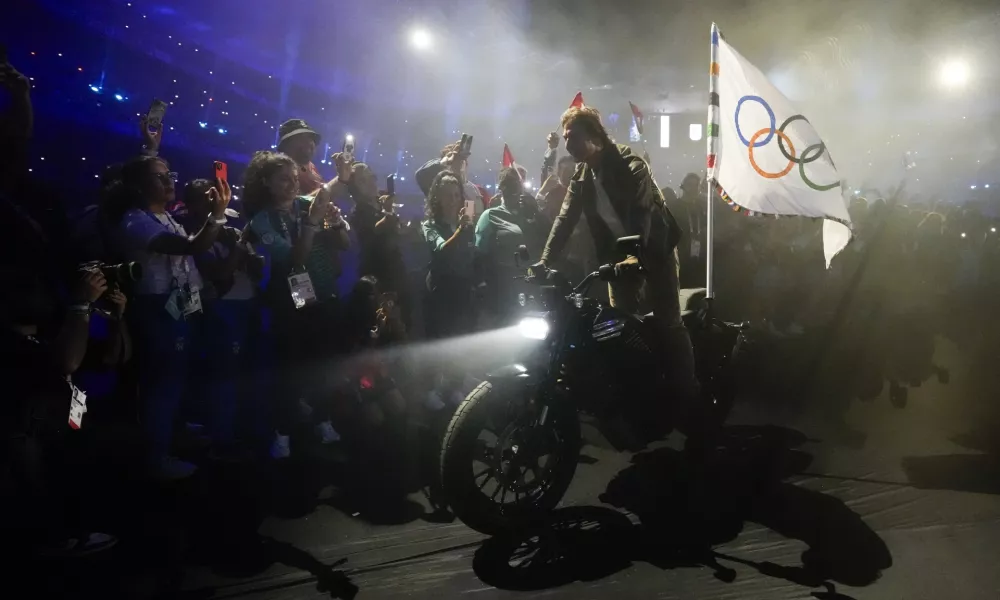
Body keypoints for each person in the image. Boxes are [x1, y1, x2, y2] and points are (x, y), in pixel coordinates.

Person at [532, 106, 702, 440]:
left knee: (669, 322)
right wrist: (544, 261)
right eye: (565, 138)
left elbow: (642, 212)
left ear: (594, 136)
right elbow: (564, 219)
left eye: (573, 137)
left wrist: (634, 255)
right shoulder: (582, 175)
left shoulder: (630, 164)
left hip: (654, 250)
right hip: (617, 256)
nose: (568, 145)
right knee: (618, 327)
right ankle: (634, 394)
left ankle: (688, 394)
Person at [110, 155, 231, 479]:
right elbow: (191, 248)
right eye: (159, 177)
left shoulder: (164, 216)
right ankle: (156, 459)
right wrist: (217, 215)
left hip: (179, 304)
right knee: (161, 383)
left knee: (176, 375)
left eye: (169, 174)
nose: (169, 181)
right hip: (158, 306)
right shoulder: (136, 221)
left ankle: (172, 433)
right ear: (138, 187)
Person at [1, 265, 121, 556]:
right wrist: (80, 305)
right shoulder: (11, 344)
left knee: (78, 457)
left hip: (61, 427)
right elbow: (66, 362)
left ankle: (66, 532)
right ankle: (53, 539)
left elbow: (112, 357)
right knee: (37, 472)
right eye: (31, 292)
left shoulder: (50, 334)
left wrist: (117, 317)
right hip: (27, 439)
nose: (43, 298)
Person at [246, 151, 352, 459]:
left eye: (295, 178)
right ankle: (282, 431)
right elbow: (295, 260)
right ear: (266, 182)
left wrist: (337, 223)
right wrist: (312, 225)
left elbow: (344, 245)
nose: (293, 185)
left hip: (322, 294)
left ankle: (322, 418)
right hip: (287, 301)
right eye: (284, 179)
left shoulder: (308, 205)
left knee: (323, 364)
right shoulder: (262, 220)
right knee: (291, 368)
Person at [184, 178, 263, 457]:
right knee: (224, 375)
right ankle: (222, 437)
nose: (211, 202)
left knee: (241, 372)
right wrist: (239, 250)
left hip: (247, 304)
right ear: (191, 204)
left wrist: (250, 253)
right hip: (221, 308)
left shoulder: (229, 232)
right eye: (203, 198)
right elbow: (216, 275)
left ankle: (234, 429)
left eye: (214, 197)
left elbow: (256, 268)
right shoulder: (192, 236)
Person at [475, 166, 550, 326]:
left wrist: (537, 212)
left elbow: (551, 237)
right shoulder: (491, 215)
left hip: (535, 283)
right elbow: (479, 253)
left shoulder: (531, 212)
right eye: (509, 185)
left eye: (517, 185)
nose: (514, 190)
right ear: (501, 188)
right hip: (504, 287)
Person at [347, 163, 411, 327]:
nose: (371, 182)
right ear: (354, 188)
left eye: (372, 177)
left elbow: (400, 232)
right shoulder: (358, 212)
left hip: (397, 272)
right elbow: (373, 231)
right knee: (387, 327)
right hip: (379, 277)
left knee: (405, 323)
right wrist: (388, 213)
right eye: (363, 180)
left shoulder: (382, 204)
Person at [415, 140, 491, 218]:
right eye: (454, 161)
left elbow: (477, 220)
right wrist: (442, 162)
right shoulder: (438, 189)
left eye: (461, 159)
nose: (459, 164)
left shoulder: (479, 191)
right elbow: (420, 174)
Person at [276, 118, 326, 196]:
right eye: (301, 137)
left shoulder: (311, 167)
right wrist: (340, 180)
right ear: (285, 145)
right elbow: (294, 203)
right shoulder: (279, 168)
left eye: (310, 137)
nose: (309, 142)